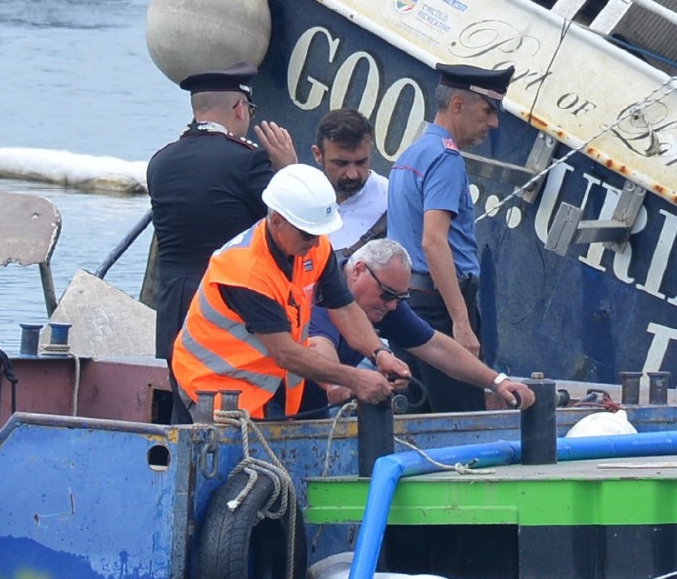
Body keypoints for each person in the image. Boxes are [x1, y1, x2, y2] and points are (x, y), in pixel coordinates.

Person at [169, 164, 410, 423]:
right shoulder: (244, 270)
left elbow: (344, 308)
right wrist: (353, 377)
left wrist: (378, 354)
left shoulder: (314, 247)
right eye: (308, 234)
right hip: (212, 387)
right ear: (276, 221)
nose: (315, 242)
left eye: (321, 232)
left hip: (267, 387)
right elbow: (284, 352)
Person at [145, 69, 295, 368]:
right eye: (250, 110)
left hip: (174, 312)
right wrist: (289, 170)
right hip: (229, 307)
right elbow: (288, 226)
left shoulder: (159, 163)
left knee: (181, 402)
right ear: (240, 108)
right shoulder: (248, 160)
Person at [387, 62, 513, 412]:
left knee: (415, 417)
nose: (493, 123)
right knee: (458, 420)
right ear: (458, 104)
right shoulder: (446, 159)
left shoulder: (409, 156)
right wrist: (461, 321)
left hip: (408, 304)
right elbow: (434, 241)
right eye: (487, 111)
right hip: (438, 306)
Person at [301, 239, 535, 413]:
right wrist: (349, 381)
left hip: (312, 409)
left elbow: (436, 347)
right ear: (359, 271)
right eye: (388, 294)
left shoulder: (383, 302)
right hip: (277, 411)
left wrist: (498, 381)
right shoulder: (322, 294)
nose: (392, 305)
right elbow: (318, 345)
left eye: (400, 298)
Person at [312, 107, 387, 257]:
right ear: (318, 155)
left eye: (361, 162)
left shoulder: (392, 200)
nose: (352, 174)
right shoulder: (301, 193)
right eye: (341, 163)